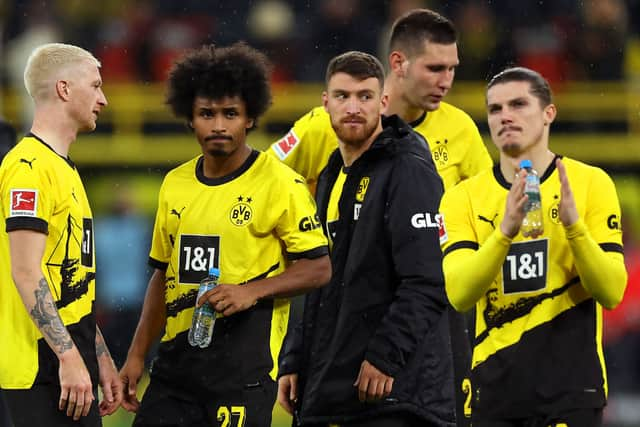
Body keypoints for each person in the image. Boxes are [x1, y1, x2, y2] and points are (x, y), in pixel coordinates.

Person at [269, 9, 491, 424]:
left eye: (452, 69)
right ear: (398, 64)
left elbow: (481, 220)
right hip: (338, 357)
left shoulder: (452, 135)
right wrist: (297, 353)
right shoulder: (326, 137)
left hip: (416, 348)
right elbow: (265, 188)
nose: (446, 80)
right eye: (435, 68)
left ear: (381, 100)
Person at [118, 42, 331, 427]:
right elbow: (162, 274)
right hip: (175, 372)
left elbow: (318, 268)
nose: (218, 125)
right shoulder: (175, 183)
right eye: (207, 114)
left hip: (242, 374)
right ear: (190, 119)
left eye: (230, 113)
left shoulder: (281, 183)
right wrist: (136, 355)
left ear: (250, 117)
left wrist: (251, 291)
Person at [439, 66, 627, 427]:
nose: (505, 116)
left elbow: (612, 290)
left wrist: (575, 228)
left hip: (571, 390)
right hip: (492, 390)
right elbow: (459, 294)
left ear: (548, 113)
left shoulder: (590, 183)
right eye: (495, 109)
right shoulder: (462, 197)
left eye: (518, 104)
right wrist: (504, 232)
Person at [0, 43, 122, 426]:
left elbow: (70, 284)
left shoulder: (64, 169)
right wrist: (70, 357)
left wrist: (97, 352)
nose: (103, 98)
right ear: (65, 89)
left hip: (67, 365)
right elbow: (26, 271)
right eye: (96, 85)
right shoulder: (28, 167)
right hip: (36, 373)